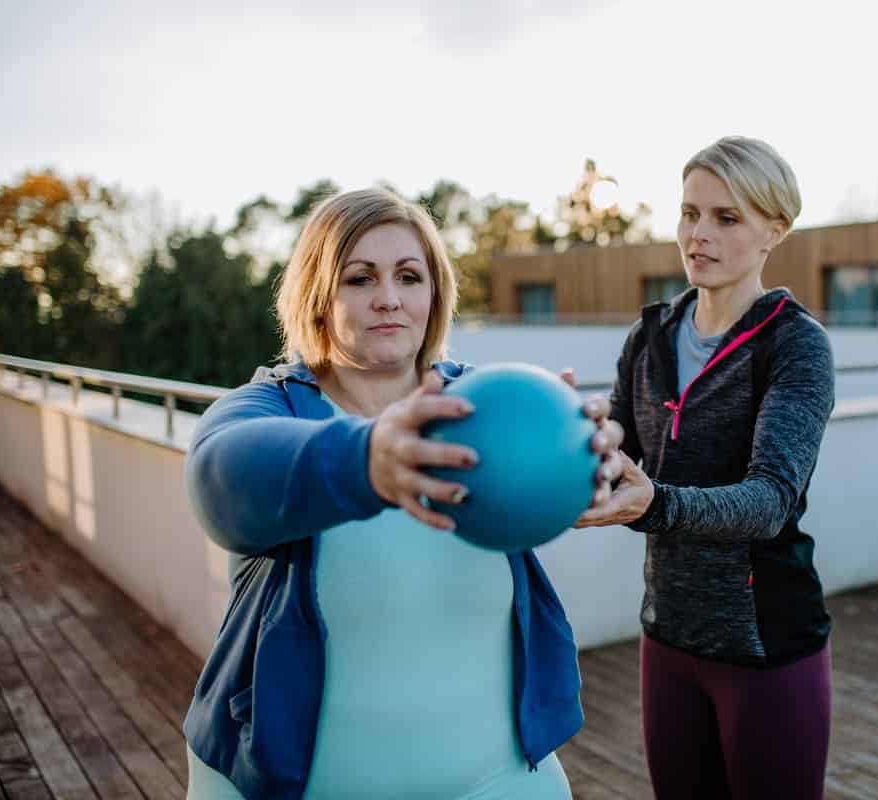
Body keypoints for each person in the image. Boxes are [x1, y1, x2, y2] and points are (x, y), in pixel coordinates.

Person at [182, 188, 624, 799]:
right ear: (319, 297)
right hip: (290, 784)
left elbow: (577, 463)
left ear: (433, 293)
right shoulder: (269, 406)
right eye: (359, 279)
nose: (388, 298)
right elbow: (220, 480)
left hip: (495, 779)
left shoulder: (483, 402)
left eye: (408, 276)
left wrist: (589, 461)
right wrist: (367, 460)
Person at [575, 136, 836, 799]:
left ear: (774, 230)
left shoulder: (795, 345)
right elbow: (622, 441)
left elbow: (770, 499)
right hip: (666, 634)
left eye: (726, 218)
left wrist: (655, 503)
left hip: (765, 645)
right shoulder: (651, 333)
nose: (699, 235)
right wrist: (571, 434)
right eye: (690, 213)